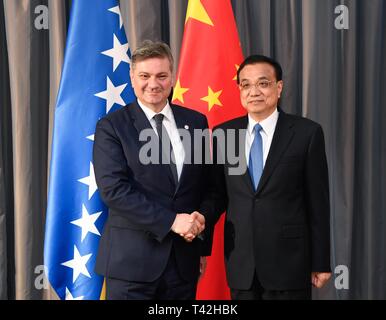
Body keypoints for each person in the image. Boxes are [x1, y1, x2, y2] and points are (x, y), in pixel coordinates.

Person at [93, 40, 211, 299]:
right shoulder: (111, 127)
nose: (153, 84)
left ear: (172, 79)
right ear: (133, 79)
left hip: (183, 264)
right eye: (145, 76)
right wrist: (172, 221)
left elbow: (208, 185)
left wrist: (201, 222)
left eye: (161, 75)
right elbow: (114, 191)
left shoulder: (196, 122)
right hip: (131, 267)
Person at [207, 54, 331, 300]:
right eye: (246, 84)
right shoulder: (224, 134)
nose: (254, 91)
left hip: (289, 263)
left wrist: (321, 261)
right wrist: (199, 225)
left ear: (279, 87)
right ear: (240, 90)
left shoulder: (307, 133)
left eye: (263, 83)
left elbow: (318, 202)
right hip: (241, 262)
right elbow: (217, 195)